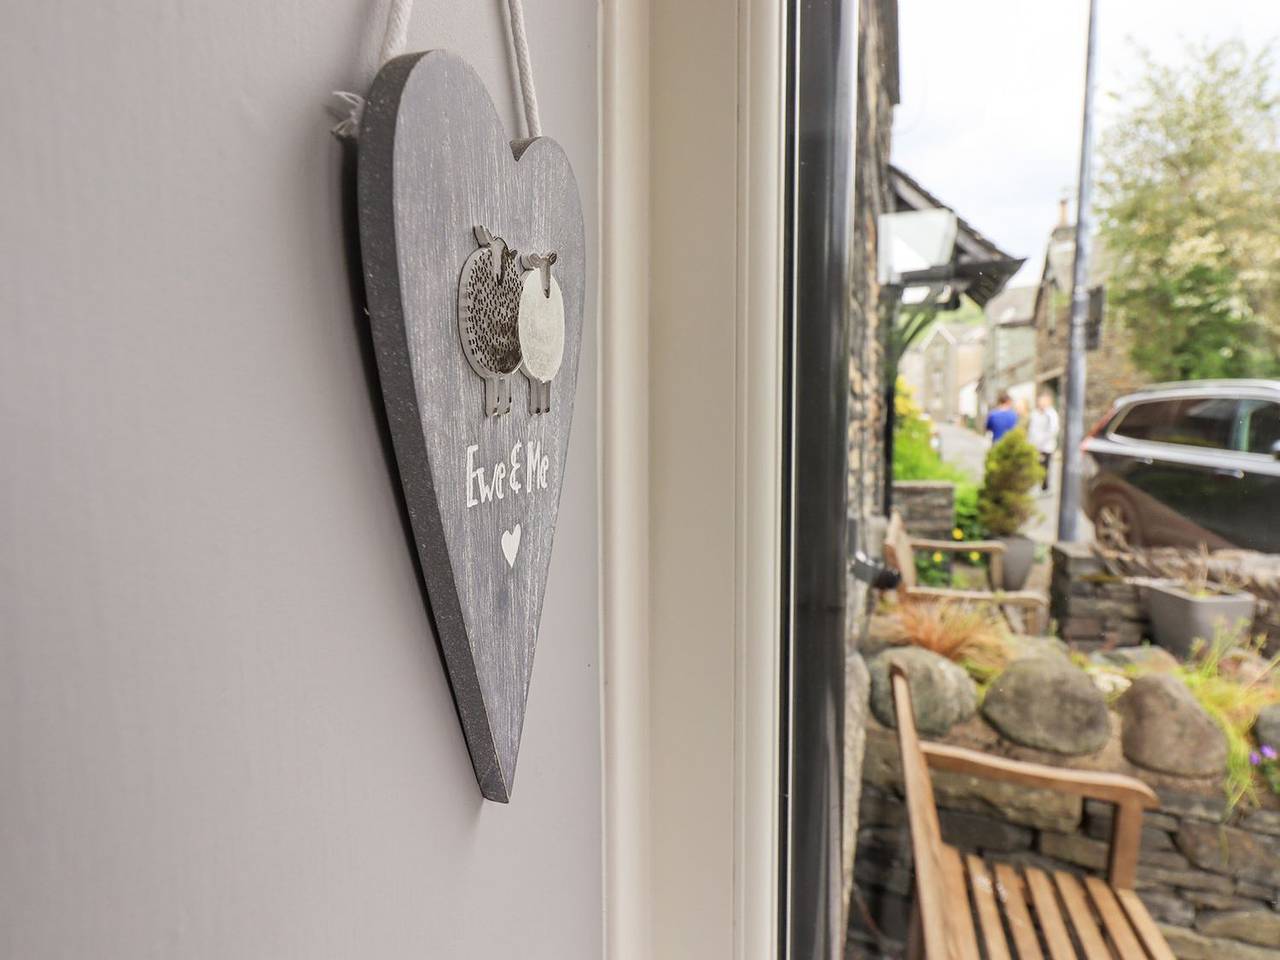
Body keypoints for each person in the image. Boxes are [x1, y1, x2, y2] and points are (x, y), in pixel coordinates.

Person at [1027, 391, 1061, 492]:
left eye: (1042, 402)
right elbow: (1032, 429)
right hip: (1034, 445)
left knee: (1045, 466)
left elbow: (1053, 430)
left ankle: (1044, 487)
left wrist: (1042, 441)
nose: (1040, 404)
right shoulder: (1035, 413)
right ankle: (1034, 485)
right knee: (1034, 465)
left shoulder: (1051, 414)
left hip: (1046, 446)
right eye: (1039, 402)